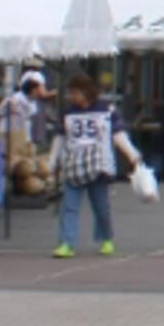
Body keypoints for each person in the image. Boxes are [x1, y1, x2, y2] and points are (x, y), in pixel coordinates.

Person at [47, 72, 141, 258]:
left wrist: (132, 154)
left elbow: (118, 135)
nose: (72, 97)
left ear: (86, 92)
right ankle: (67, 243)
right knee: (69, 206)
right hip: (73, 164)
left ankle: (106, 238)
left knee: (101, 207)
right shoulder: (68, 112)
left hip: (99, 165)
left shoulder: (106, 110)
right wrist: (52, 162)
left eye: (75, 92)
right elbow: (60, 139)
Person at [0, 67, 54, 198]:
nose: (41, 91)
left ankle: (18, 188)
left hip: (21, 137)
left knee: (26, 166)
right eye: (40, 87)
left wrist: (27, 142)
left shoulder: (31, 103)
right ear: (33, 89)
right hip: (9, 136)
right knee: (8, 166)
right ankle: (2, 193)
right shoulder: (15, 100)